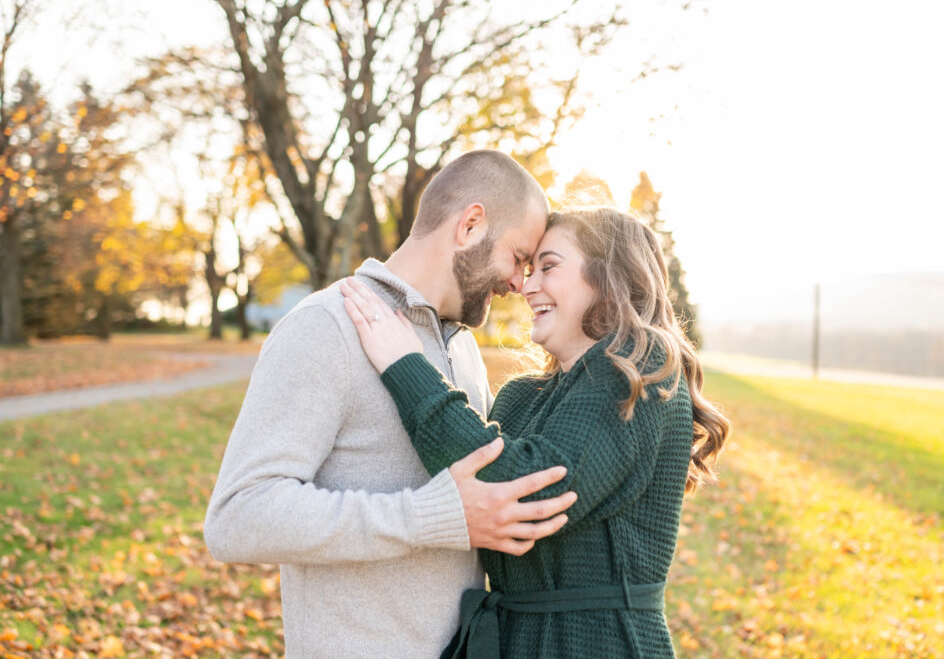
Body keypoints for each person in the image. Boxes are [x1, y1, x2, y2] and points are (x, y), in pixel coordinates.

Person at [204, 150, 579, 659]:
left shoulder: (463, 348)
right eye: (518, 257)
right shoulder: (325, 327)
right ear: (470, 225)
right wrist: (427, 516)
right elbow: (237, 518)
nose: (520, 283)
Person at [339, 206, 731, 659]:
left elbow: (522, 489)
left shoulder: (640, 370)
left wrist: (406, 365)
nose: (526, 287)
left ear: (608, 279)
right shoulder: (521, 397)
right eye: (528, 271)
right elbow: (469, 488)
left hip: (600, 646)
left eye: (549, 267)